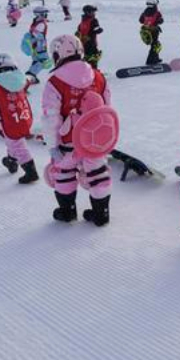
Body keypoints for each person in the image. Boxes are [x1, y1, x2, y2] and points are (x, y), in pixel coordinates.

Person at [42, 35, 113, 225]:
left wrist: (52, 145)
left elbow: (51, 117)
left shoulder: (55, 82)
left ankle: (67, 212)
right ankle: (101, 214)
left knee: (64, 173)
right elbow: (107, 107)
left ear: (57, 55)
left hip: (68, 140)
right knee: (98, 173)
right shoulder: (98, 76)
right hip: (95, 140)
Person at [0, 53, 39, 184]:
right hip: (24, 118)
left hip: (9, 122)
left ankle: (31, 172)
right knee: (13, 142)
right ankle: (11, 161)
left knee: (16, 144)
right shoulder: (22, 79)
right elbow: (26, 87)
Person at [24, 6, 52, 82]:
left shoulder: (36, 22)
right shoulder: (41, 24)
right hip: (39, 45)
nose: (46, 15)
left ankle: (30, 75)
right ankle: (31, 75)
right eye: (45, 13)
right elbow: (37, 35)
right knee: (44, 60)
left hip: (34, 44)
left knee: (37, 60)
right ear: (41, 14)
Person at [139, 0, 164, 65]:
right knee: (155, 45)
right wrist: (158, 21)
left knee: (155, 45)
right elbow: (161, 21)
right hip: (154, 31)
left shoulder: (145, 12)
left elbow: (140, 20)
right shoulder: (157, 12)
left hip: (146, 31)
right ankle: (150, 61)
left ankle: (156, 59)